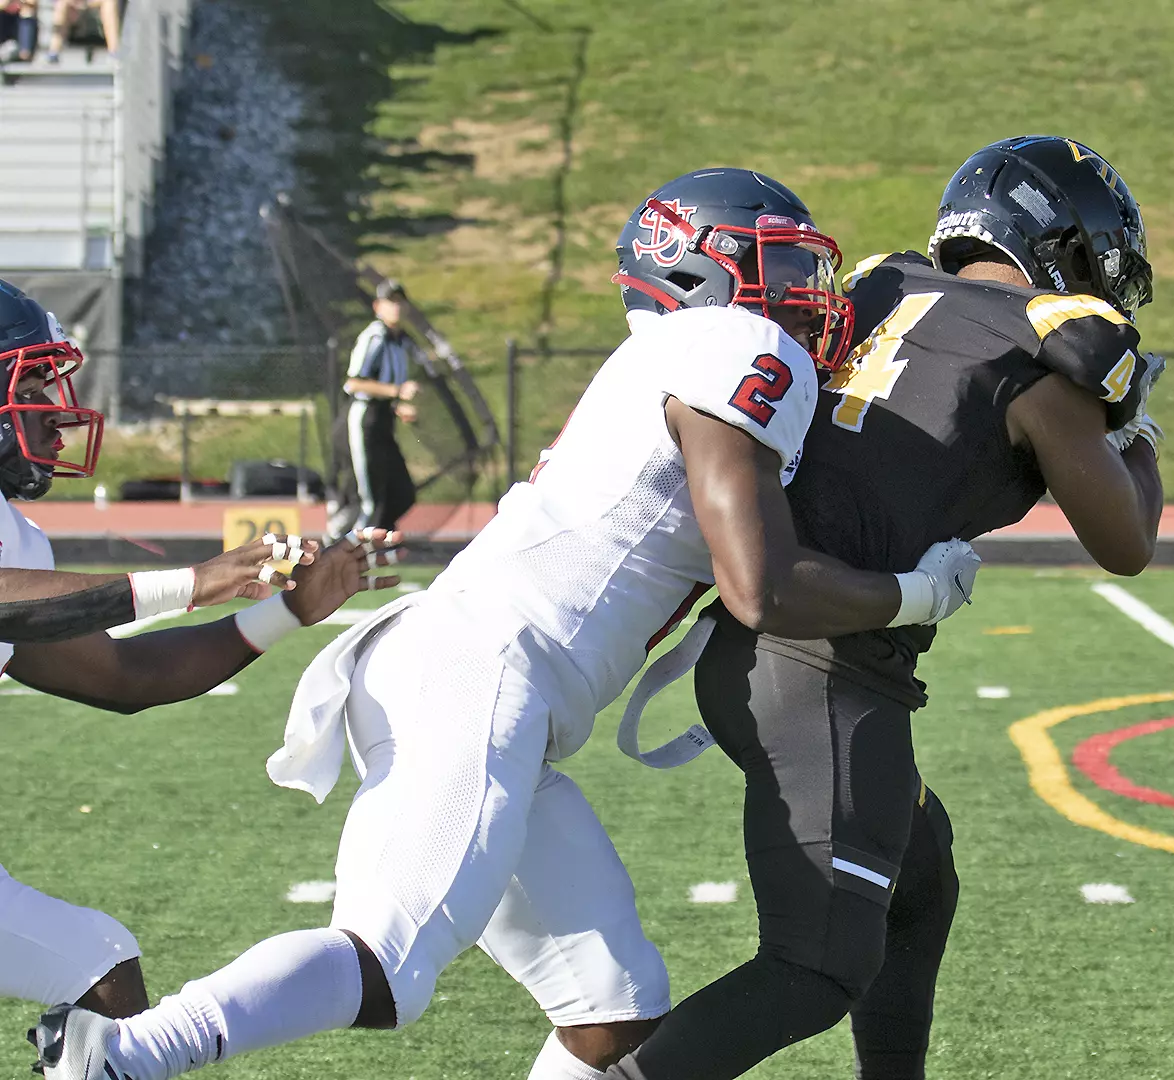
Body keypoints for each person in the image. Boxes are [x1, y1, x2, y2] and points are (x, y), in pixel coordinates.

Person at [30, 168, 983, 1080]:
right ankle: (129, 1054)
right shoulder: (737, 344)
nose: (806, 294)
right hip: (484, 672)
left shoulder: (682, 354)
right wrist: (915, 593)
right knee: (386, 965)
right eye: (782, 267)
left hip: (482, 674)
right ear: (703, 268)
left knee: (612, 1007)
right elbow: (762, 587)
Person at [609, 134, 1165, 1080]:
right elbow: (1129, 542)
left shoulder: (874, 288)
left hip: (752, 639)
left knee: (922, 877)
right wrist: (1139, 427)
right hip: (827, 670)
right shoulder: (1043, 358)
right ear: (1066, 246)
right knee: (815, 967)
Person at [0, 278, 404, 1021]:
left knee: (101, 971)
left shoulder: (15, 532)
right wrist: (193, 580)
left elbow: (126, 673)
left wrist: (288, 611)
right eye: (31, 381)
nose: (56, 409)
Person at [340, 279, 420, 534]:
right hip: (365, 421)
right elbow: (354, 382)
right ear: (378, 306)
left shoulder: (399, 342)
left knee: (402, 494)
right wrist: (396, 391)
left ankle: (369, 547)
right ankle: (342, 550)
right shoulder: (374, 336)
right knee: (370, 501)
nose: (396, 307)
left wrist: (397, 406)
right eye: (390, 301)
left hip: (384, 421)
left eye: (399, 301)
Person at [43, 0, 115, 62]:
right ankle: (54, 52)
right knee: (61, 5)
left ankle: (114, 52)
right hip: (71, 8)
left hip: (93, 5)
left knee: (109, 2)